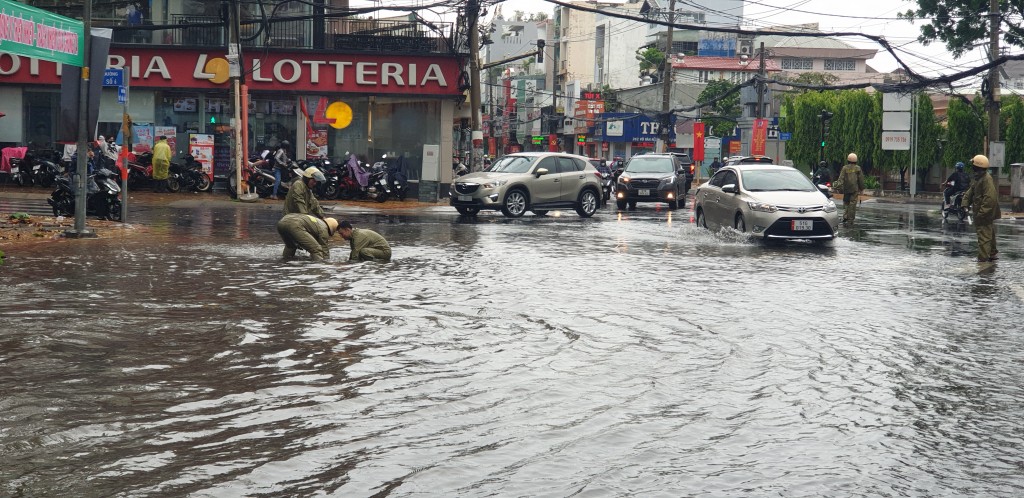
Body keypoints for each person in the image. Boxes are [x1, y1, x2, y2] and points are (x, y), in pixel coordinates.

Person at [961, 154, 1001, 262]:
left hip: (984, 213)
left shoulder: (986, 179)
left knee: (983, 235)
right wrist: (965, 203)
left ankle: (983, 258)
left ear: (977, 166)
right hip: (983, 212)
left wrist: (981, 214)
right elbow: (970, 192)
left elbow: (990, 199)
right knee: (989, 233)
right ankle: (992, 253)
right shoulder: (979, 178)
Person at [838, 152, 864, 224]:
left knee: (846, 202)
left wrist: (838, 187)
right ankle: (851, 219)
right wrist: (861, 188)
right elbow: (860, 179)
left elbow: (841, 178)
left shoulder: (844, 168)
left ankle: (845, 216)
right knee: (852, 204)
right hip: (854, 189)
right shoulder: (858, 168)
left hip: (846, 189)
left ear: (848, 160)